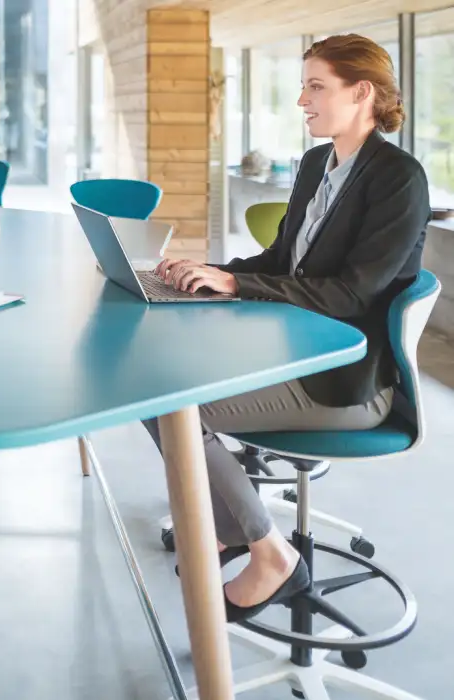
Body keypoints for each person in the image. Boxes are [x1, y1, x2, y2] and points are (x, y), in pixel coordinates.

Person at [150, 33, 428, 622]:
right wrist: (210, 271)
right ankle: (232, 528)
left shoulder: (399, 179)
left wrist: (236, 287)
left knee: (174, 409)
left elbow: (353, 294)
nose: (302, 100)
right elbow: (282, 263)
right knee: (155, 387)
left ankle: (269, 553)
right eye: (304, 85)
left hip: (347, 382)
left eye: (316, 86)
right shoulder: (314, 164)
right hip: (293, 352)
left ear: (362, 93)